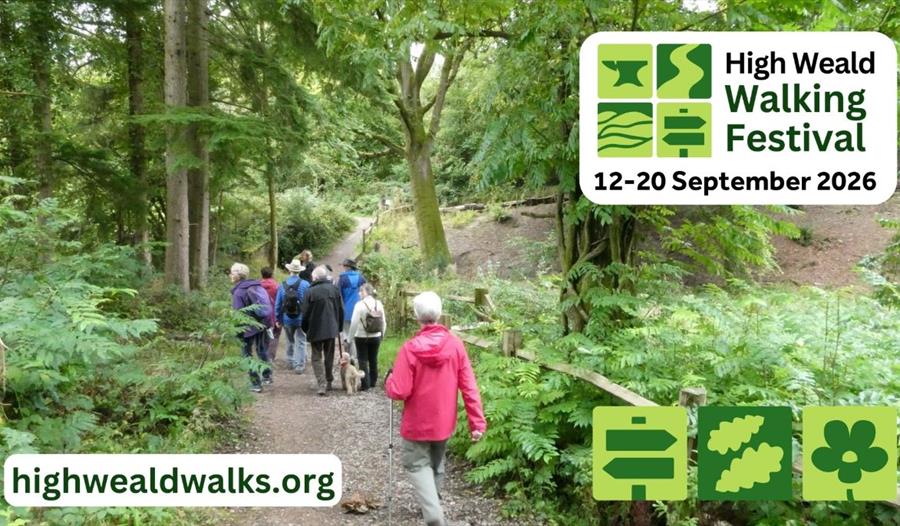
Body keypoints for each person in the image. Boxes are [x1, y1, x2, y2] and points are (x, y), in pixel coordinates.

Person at [385, 292, 486, 526]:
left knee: (417, 464)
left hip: (417, 423)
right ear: (439, 314)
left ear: (416, 316)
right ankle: (433, 502)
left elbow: (399, 391)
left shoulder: (410, 349)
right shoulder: (455, 345)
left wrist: (388, 383)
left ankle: (433, 515)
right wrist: (477, 423)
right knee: (436, 463)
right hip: (443, 420)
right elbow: (469, 385)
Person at [229, 262, 274, 393]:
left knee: (247, 355)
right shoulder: (256, 286)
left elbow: (238, 314)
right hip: (261, 324)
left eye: (232, 273)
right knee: (262, 350)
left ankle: (255, 384)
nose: (230, 275)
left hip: (247, 327)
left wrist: (237, 331)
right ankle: (267, 375)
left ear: (238, 275)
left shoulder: (239, 292)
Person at [300, 265, 343, 396]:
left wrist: (305, 328)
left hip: (315, 329)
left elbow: (305, 313)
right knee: (329, 355)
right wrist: (339, 327)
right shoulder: (334, 289)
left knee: (316, 357)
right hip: (331, 329)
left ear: (315, 277)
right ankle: (329, 381)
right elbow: (341, 310)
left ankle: (322, 384)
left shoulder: (310, 291)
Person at [346, 283, 386, 391]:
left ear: (365, 292)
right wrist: (382, 334)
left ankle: (365, 383)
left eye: (361, 291)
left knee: (362, 359)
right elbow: (383, 321)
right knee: (373, 359)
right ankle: (373, 381)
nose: (359, 293)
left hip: (361, 336)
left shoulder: (359, 305)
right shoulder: (379, 303)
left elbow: (354, 323)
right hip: (376, 335)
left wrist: (349, 338)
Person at [275, 259, 310, 373]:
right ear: (299, 271)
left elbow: (278, 303)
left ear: (289, 270)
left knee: (290, 340)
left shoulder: (283, 285)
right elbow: (309, 302)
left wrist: (277, 318)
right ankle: (299, 365)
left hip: (287, 318)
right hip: (301, 318)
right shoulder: (305, 284)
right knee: (301, 341)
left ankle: (290, 361)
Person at [338, 258, 366, 358]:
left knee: (346, 334)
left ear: (347, 267)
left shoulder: (342, 279)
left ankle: (348, 357)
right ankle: (356, 357)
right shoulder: (361, 278)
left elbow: (339, 296)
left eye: (344, 266)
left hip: (346, 311)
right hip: (361, 310)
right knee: (357, 333)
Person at [259, 267, 280, 362]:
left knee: (261, 334)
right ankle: (270, 356)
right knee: (275, 335)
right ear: (272, 274)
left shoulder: (257, 286)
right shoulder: (277, 286)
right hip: (274, 314)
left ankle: (262, 354)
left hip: (261, 314)